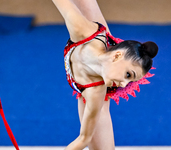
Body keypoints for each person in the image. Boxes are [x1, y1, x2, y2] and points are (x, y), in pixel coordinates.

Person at [52, 0, 158, 150]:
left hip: (97, 76)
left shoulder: (96, 94)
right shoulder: (83, 30)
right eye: (128, 75)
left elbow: (83, 139)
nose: (123, 85)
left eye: (129, 80)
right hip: (96, 45)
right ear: (117, 56)